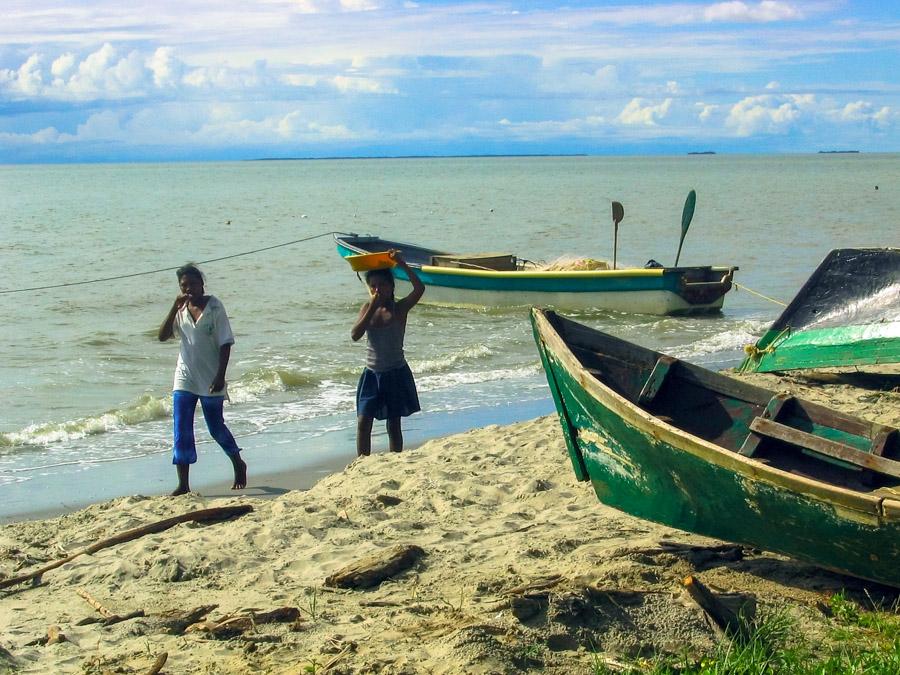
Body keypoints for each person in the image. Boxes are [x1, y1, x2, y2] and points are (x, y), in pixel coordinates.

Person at [158, 264, 247, 495]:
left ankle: (237, 461)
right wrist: (172, 308)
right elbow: (162, 336)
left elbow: (225, 343)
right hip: (185, 377)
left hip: (211, 377)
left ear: (202, 284)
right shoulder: (180, 310)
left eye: (193, 284)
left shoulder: (215, 307)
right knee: (181, 429)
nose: (189, 289)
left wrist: (220, 376)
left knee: (215, 427)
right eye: (184, 286)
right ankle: (184, 484)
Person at [351, 252, 425, 456]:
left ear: (391, 287)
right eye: (373, 286)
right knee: (363, 422)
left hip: (395, 372)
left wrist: (402, 264)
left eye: (382, 285)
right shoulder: (367, 308)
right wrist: (372, 307)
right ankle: (362, 462)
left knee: (394, 423)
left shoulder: (399, 308)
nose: (377, 290)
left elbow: (419, 289)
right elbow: (355, 335)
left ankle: (395, 458)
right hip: (372, 373)